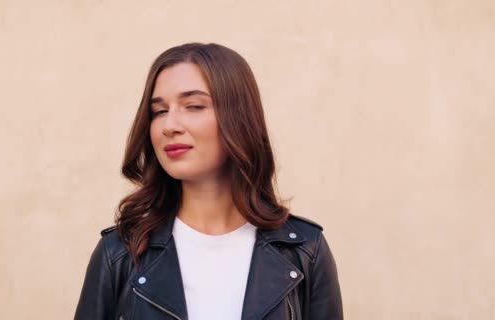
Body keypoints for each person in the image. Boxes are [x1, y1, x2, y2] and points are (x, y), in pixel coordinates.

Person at [74, 42, 343, 320]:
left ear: (238, 118)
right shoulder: (119, 254)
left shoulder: (305, 252)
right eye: (159, 111)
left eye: (193, 106)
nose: (170, 125)